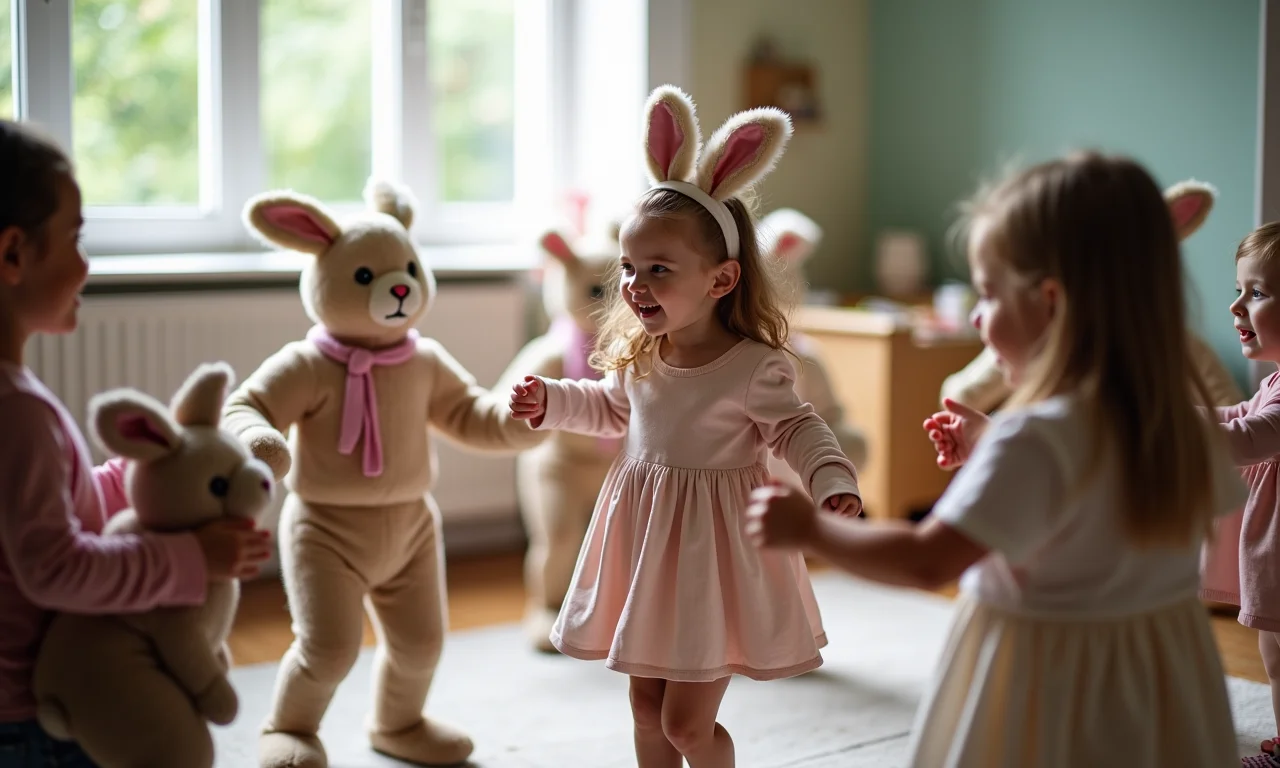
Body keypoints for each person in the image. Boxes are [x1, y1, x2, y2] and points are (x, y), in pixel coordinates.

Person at [747, 151, 1244, 767]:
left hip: (1053, 684)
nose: (977, 318)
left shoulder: (1034, 441)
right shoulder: (1180, 422)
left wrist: (812, 529)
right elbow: (1093, 494)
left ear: (1050, 303)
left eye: (987, 294)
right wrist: (990, 444)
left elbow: (927, 560)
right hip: (1159, 678)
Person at [509, 85, 859, 767]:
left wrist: (832, 479)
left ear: (721, 280)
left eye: (659, 270)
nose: (635, 285)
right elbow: (609, 408)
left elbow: (799, 429)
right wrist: (551, 399)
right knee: (645, 711)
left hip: (713, 553)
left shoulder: (753, 366)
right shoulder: (643, 355)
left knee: (687, 726)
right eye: (629, 268)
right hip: (646, 544)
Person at [0, 120, 270, 767]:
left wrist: (151, 474)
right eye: (75, 238)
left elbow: (43, 510)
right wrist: (190, 557)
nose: (86, 263)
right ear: (12, 254)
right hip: (31, 716)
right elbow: (55, 569)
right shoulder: (19, 414)